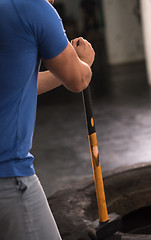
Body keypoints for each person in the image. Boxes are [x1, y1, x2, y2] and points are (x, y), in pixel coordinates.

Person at [0, 0, 95, 239]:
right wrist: (83, 62)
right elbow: (78, 80)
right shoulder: (34, 8)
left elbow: (19, 83)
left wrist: (64, 68)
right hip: (8, 176)